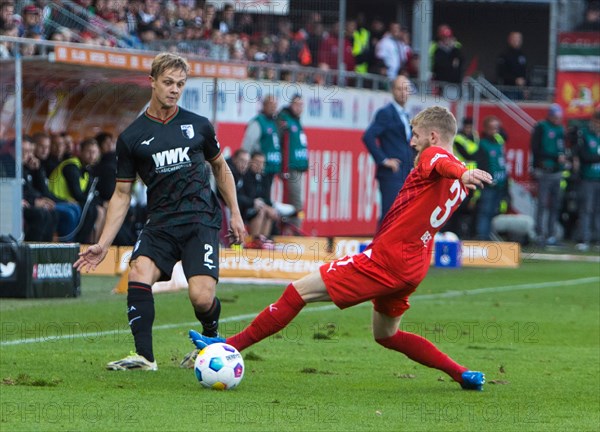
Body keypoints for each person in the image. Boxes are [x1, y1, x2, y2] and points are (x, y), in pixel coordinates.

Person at [188, 106, 491, 391]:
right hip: (414, 266)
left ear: (433, 137)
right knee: (387, 335)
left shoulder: (437, 157)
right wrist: (462, 173)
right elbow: (448, 170)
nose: (411, 142)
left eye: (415, 135)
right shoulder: (461, 179)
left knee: (298, 292)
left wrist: (459, 171)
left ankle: (228, 346)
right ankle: (461, 373)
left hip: (386, 260)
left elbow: (439, 161)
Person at [74, 52, 245, 371]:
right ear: (152, 82)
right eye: (168, 82)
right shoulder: (132, 138)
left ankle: (211, 338)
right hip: (161, 224)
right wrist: (104, 242)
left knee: (201, 298)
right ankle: (144, 357)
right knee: (138, 270)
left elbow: (220, 168)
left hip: (200, 220)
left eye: (180, 84)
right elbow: (121, 194)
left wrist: (234, 212)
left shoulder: (198, 126)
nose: (174, 89)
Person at [363, 75, 414, 224]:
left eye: (406, 89)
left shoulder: (405, 115)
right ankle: (378, 247)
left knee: (402, 217)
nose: (403, 93)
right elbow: (368, 137)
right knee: (389, 214)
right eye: (399, 89)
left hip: (405, 172)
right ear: (392, 91)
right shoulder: (386, 113)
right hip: (391, 174)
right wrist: (384, 160)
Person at [48, 138, 105, 244]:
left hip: (70, 202)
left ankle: (92, 244)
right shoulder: (71, 166)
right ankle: (80, 243)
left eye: (94, 152)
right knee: (89, 210)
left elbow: (88, 195)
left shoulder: (87, 171)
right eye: (88, 152)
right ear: (81, 151)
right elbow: (77, 194)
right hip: (56, 200)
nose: (91, 155)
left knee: (98, 209)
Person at [531, 104, 567, 246]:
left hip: (558, 172)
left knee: (555, 205)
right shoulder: (541, 127)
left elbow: (561, 146)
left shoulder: (561, 129)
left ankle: (551, 234)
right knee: (542, 204)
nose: (558, 120)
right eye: (556, 117)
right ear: (551, 115)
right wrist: (554, 157)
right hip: (545, 171)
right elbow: (536, 149)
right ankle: (539, 234)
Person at [474, 116, 508, 240]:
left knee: (493, 212)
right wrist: (486, 180)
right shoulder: (483, 144)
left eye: (497, 128)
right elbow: (481, 164)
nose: (495, 130)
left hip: (500, 183)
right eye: (493, 128)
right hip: (489, 185)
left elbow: (506, 135)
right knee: (485, 212)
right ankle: (482, 236)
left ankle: (489, 235)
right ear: (486, 129)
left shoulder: (499, 141)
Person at [278, 94, 308, 228]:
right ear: (291, 105)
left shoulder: (296, 121)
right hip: (290, 167)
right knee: (296, 202)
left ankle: (293, 227)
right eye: (297, 104)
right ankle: (296, 229)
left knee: (296, 201)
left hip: (298, 167)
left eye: (301, 105)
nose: (299, 108)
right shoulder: (285, 119)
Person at [241, 95, 280, 195]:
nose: (273, 108)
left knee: (266, 196)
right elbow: (248, 144)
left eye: (275, 105)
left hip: (271, 167)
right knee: (258, 197)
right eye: (270, 104)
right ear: (264, 105)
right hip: (260, 168)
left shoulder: (274, 122)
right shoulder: (258, 122)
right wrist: (246, 163)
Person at [240, 151, 280, 249]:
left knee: (269, 212)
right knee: (262, 211)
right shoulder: (245, 175)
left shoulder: (264, 178)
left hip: (260, 208)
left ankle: (263, 240)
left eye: (262, 163)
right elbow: (246, 197)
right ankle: (255, 241)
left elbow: (267, 198)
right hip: (245, 209)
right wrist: (263, 206)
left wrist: (270, 208)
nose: (260, 165)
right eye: (257, 162)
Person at [22, 137, 59, 241]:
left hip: (29, 201)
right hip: (16, 205)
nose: (27, 155)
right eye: (23, 151)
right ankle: (31, 253)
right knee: (40, 214)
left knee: (53, 213)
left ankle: (45, 251)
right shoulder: (10, 166)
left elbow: (33, 190)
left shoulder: (27, 167)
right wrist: (34, 201)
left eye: (29, 151)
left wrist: (36, 170)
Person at [575, 109, 600, 251]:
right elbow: (584, 156)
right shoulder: (585, 135)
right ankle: (584, 239)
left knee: (598, 210)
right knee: (586, 209)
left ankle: (597, 239)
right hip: (588, 178)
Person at [496, 32, 527, 99]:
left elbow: (525, 72)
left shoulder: (522, 55)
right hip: (508, 90)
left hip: (520, 90)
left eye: (519, 39)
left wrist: (526, 87)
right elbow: (501, 73)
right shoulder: (504, 55)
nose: (517, 41)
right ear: (510, 40)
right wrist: (515, 80)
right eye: (515, 38)